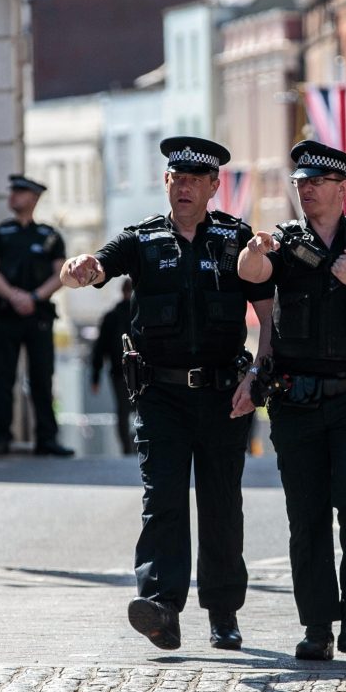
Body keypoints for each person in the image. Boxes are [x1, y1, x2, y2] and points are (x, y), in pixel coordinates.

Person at [60, 136, 274, 652]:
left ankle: (223, 612)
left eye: (194, 180)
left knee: (222, 503)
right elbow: (99, 264)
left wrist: (258, 378)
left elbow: (269, 319)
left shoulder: (236, 239)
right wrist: (82, 267)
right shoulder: (142, 239)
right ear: (166, 183)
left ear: (213, 187)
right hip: (161, 396)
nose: (183, 187)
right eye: (176, 179)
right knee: (163, 501)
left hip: (225, 394)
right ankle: (160, 607)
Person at [237, 139, 346, 662]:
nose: (306, 190)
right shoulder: (283, 243)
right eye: (301, 183)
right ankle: (317, 625)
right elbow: (255, 287)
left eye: (317, 183)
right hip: (295, 399)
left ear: (342, 190)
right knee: (307, 517)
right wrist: (254, 252)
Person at [0, 175, 73, 457]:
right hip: (7, 314)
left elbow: (62, 274)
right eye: (13, 191)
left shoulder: (49, 236)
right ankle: (0, 438)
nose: (13, 196)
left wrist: (33, 297)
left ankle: (47, 439)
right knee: (3, 379)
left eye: (19, 192)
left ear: (33, 198)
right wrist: (14, 296)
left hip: (38, 316)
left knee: (42, 378)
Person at [89, 278, 135, 454]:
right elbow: (100, 349)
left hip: (119, 371)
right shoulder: (141, 313)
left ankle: (127, 448)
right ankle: (137, 447)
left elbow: (99, 349)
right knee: (142, 409)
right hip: (138, 371)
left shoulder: (112, 316)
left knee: (123, 411)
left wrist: (95, 377)